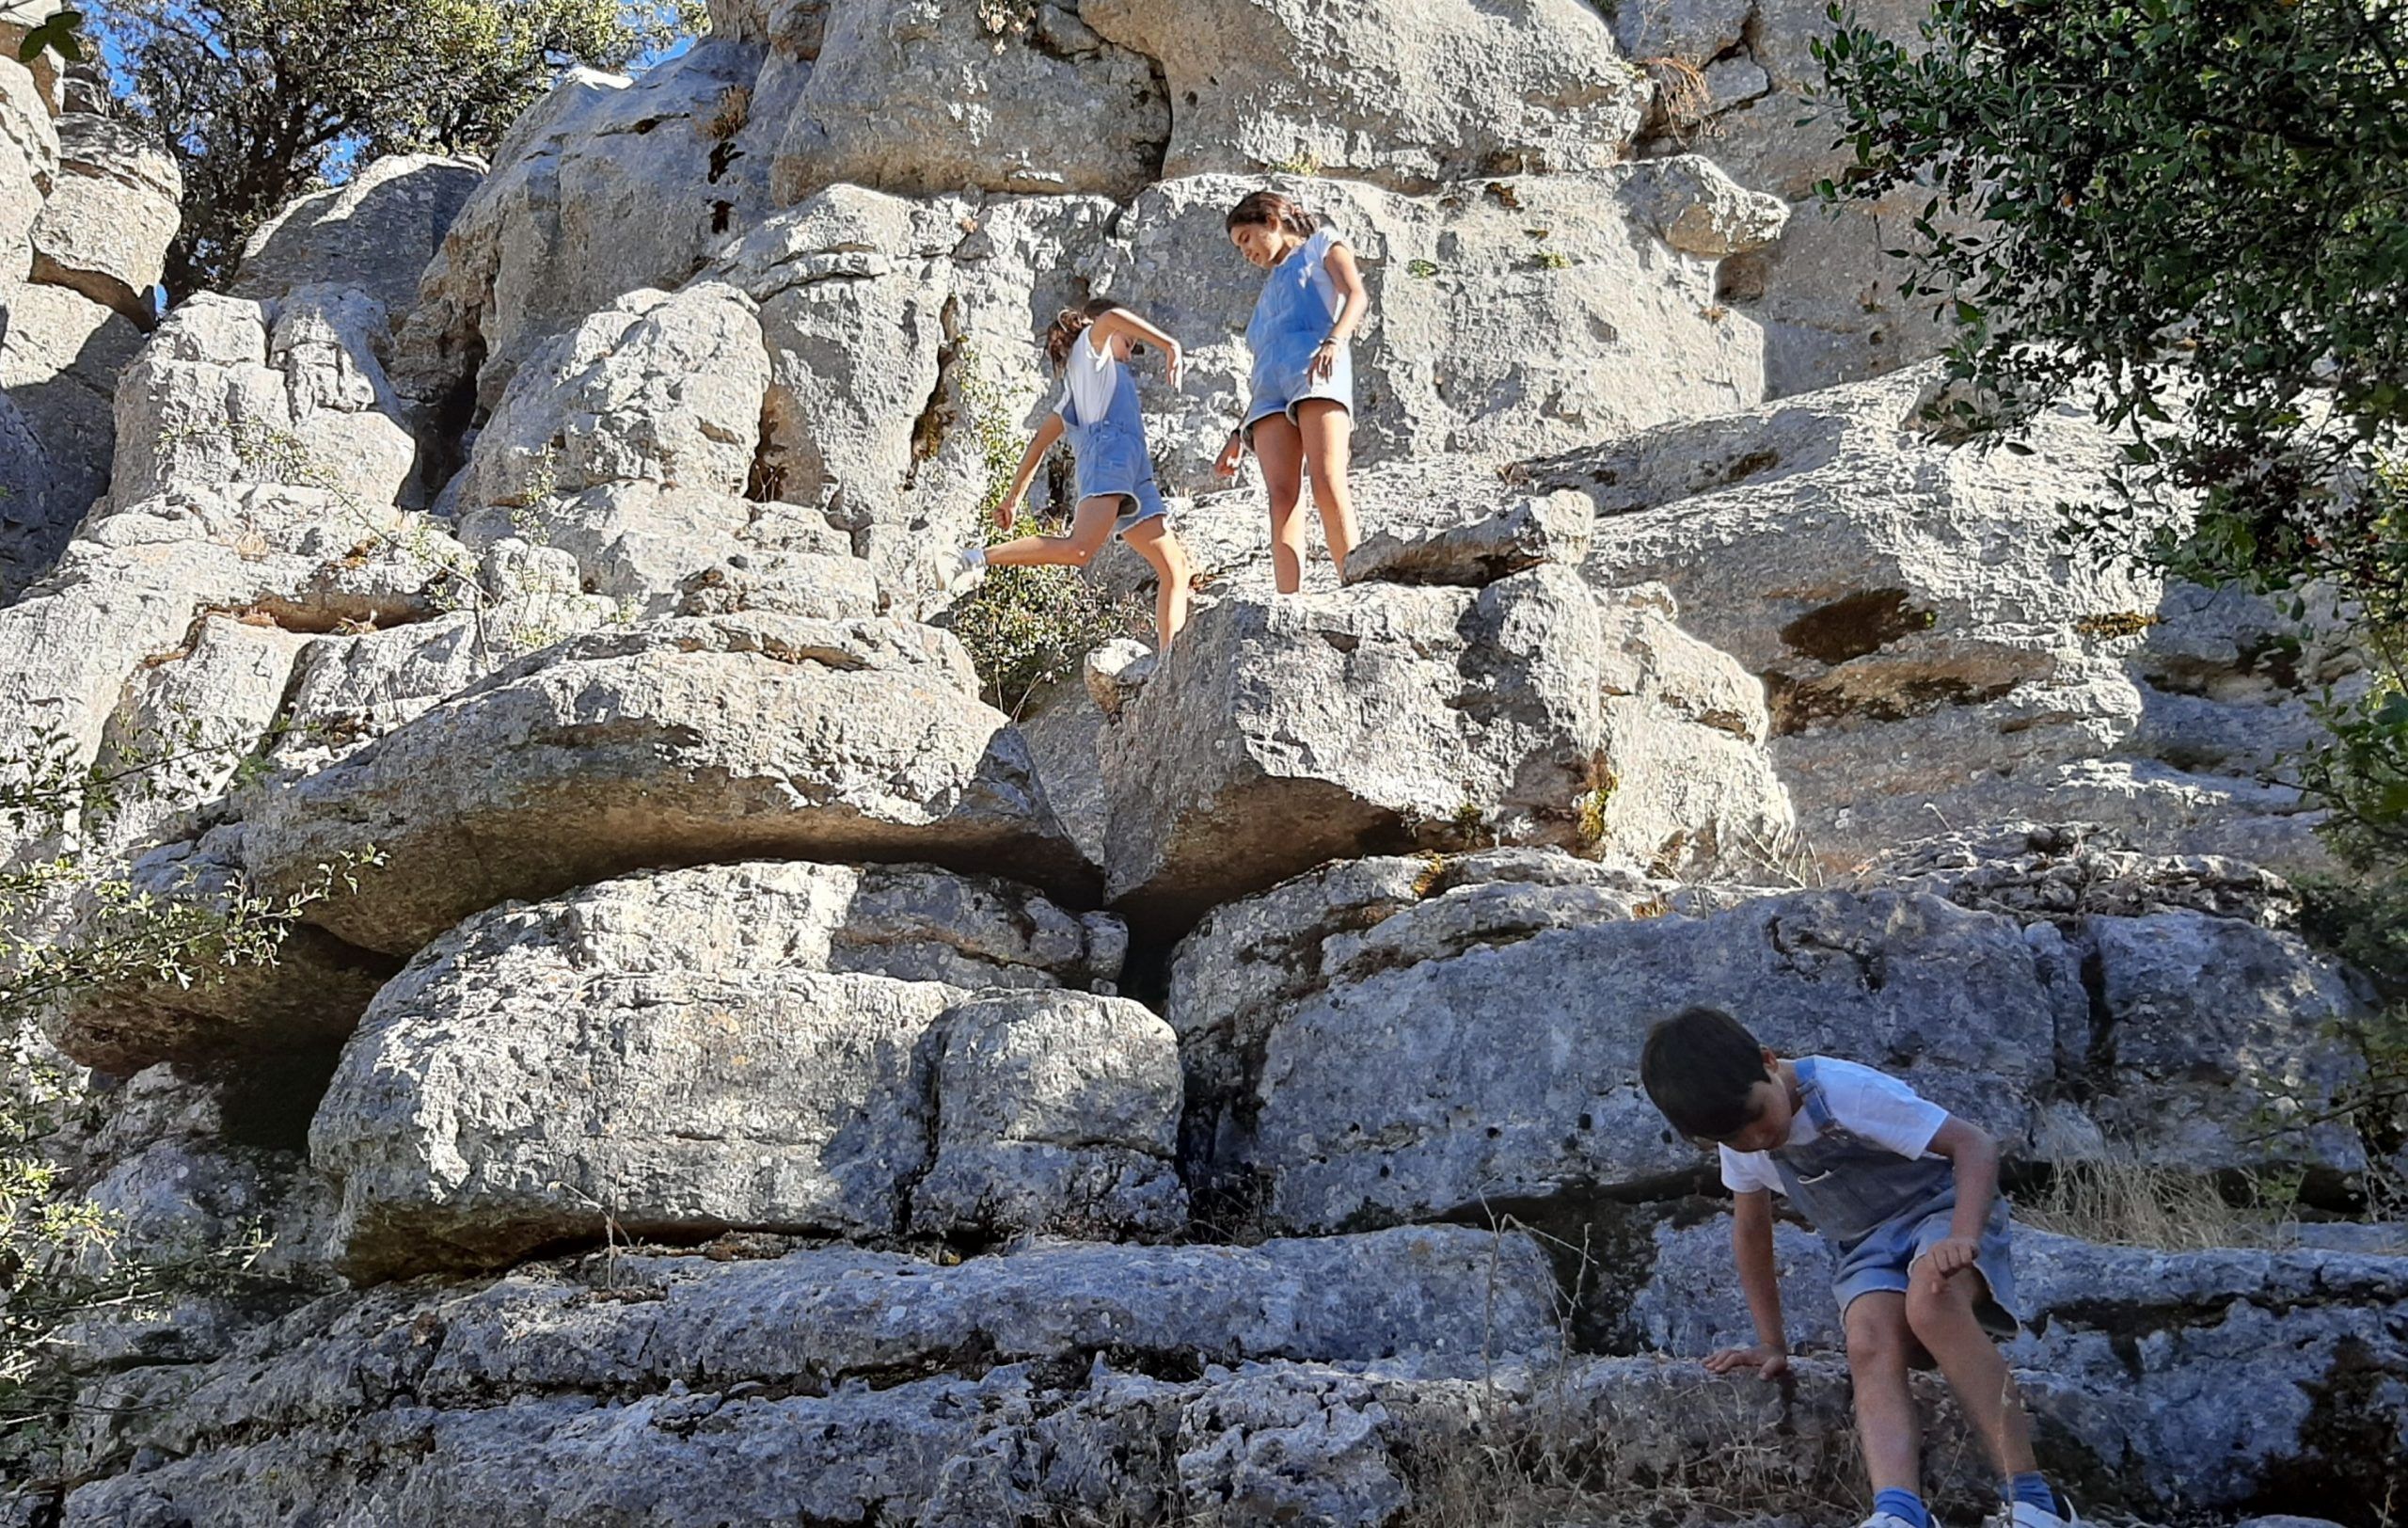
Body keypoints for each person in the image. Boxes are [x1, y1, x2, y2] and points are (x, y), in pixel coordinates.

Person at [1638, 1006, 2076, 1528]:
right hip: (1867, 1246)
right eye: (1733, 1139)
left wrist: (1962, 1236)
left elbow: (1973, 1145)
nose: (1754, 1140)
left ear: (1769, 1062)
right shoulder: (1744, 1141)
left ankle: (2035, 1501)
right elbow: (1752, 1231)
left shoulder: (1845, 1092)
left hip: (1940, 1212)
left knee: (1931, 1300)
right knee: (1866, 1338)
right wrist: (1770, 1341)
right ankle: (1899, 1510)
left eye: (1757, 1117)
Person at [946, 298, 1194, 651]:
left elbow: (1039, 442)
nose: (1131, 349)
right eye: (1129, 341)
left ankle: (1171, 661)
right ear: (1096, 329)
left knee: (1175, 566)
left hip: (1133, 467)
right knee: (1079, 550)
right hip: (1108, 458)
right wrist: (1169, 344)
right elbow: (1110, 316)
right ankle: (976, 558)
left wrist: (1013, 498)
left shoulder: (1080, 386)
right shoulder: (1090, 352)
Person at [1213, 189, 1368, 593]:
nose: (1245, 252)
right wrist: (1236, 433)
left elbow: (1356, 295)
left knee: (1327, 479)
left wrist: (1335, 341)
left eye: (1246, 238)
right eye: (1237, 247)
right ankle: (1287, 598)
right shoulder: (1265, 296)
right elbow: (1265, 360)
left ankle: (1354, 580)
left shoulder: (1321, 245)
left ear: (1271, 221)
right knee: (1281, 496)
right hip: (1267, 394)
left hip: (1315, 369)